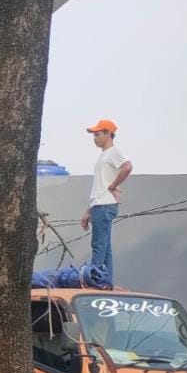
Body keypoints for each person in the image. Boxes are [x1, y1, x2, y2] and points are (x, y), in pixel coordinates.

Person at [79, 119, 133, 286]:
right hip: (99, 204)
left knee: (98, 244)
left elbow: (128, 167)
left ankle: (93, 278)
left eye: (97, 134)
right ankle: (106, 281)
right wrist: (88, 210)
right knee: (105, 246)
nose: (94, 138)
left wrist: (114, 185)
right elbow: (99, 187)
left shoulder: (114, 152)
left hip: (105, 205)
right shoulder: (103, 156)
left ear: (109, 134)